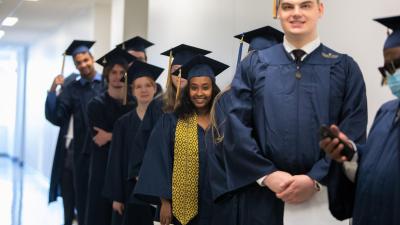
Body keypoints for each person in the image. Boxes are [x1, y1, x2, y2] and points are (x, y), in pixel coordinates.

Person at [217, 0, 368, 224]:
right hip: (264, 196)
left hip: (323, 197)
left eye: (305, 5)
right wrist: (268, 175)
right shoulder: (254, 66)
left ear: (320, 9)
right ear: (278, 12)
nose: (296, 13)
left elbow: (351, 130)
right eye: (288, 6)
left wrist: (315, 178)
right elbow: (236, 128)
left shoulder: (344, 68)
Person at [320, 15, 400, 225]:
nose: (393, 72)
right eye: (388, 66)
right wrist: (350, 155)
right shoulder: (387, 113)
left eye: (398, 62)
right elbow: (375, 172)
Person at [133, 55, 229, 225]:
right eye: (194, 88)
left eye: (205, 88)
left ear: (213, 90)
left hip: (218, 204)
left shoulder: (223, 122)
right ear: (188, 91)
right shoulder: (170, 121)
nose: (199, 93)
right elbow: (159, 161)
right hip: (181, 210)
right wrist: (164, 202)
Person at [207, 25, 283, 225]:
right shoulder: (226, 99)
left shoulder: (285, 99)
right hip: (239, 193)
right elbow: (223, 147)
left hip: (276, 193)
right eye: (254, 59)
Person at [126, 44, 212, 183]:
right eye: (175, 70)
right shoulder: (159, 105)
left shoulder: (205, 105)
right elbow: (143, 141)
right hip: (164, 177)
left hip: (200, 177)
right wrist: (140, 174)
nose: (179, 75)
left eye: (184, 70)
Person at [103, 60, 163, 225]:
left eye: (148, 85)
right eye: (138, 86)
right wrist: (117, 196)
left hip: (159, 192)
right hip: (131, 192)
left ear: (155, 88)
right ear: (132, 91)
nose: (144, 90)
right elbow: (116, 161)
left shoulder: (165, 120)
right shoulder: (123, 123)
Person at [51, 40, 105, 225]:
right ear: (75, 65)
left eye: (85, 60)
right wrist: (53, 92)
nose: (83, 65)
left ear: (92, 59)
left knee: (98, 204)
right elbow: (57, 117)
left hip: (102, 151)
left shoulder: (105, 84)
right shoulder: (72, 88)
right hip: (78, 153)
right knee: (80, 201)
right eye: (78, 62)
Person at [84, 48, 136, 225]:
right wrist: (122, 137)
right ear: (107, 74)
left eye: (122, 72)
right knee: (99, 215)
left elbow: (137, 139)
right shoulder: (95, 105)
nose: (117, 76)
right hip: (102, 167)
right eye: (113, 72)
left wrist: (112, 136)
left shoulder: (134, 105)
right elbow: (99, 139)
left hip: (125, 169)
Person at [46, 71, 78, 225]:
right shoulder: (65, 111)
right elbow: (53, 115)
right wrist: (53, 90)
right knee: (68, 200)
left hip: (84, 158)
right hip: (66, 156)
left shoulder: (88, 103)